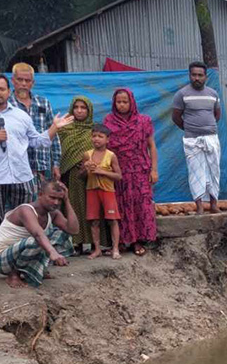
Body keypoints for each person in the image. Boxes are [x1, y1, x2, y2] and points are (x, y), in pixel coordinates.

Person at [0, 72, 74, 269]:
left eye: (1, 89)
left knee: (26, 221)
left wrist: (54, 128)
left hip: (22, 177)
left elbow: (38, 141)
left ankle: (25, 261)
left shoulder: (20, 115)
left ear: (8, 91)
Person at [0, 179, 78, 288]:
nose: (56, 203)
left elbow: (73, 230)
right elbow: (37, 234)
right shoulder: (25, 210)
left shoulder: (53, 213)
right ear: (40, 195)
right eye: (52, 197)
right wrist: (52, 252)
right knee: (37, 241)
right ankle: (13, 275)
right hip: (1, 260)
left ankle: (35, 269)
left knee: (62, 235)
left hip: (22, 253)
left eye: (59, 199)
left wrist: (67, 200)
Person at [104, 88, 158, 255]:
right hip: (118, 172)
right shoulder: (108, 121)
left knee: (141, 204)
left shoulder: (143, 121)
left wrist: (154, 170)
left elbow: (151, 146)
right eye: (118, 102)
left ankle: (138, 241)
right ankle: (120, 241)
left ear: (132, 102)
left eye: (125, 102)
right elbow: (104, 147)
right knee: (120, 205)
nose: (121, 105)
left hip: (140, 170)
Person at [172, 61, 221, 214]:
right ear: (189, 76)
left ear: (205, 77)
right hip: (192, 140)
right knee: (195, 173)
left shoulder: (213, 94)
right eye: (194, 75)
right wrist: (190, 129)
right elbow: (176, 117)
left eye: (200, 75)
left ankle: (213, 205)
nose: (197, 78)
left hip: (211, 138)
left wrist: (207, 127)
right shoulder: (182, 94)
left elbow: (216, 115)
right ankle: (199, 207)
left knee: (214, 171)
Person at [8, 63, 61, 186]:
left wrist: (56, 164)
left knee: (44, 203)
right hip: (16, 168)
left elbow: (53, 134)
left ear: (33, 83)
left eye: (27, 80)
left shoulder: (43, 103)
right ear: (13, 81)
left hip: (42, 165)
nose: (23, 84)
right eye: (20, 80)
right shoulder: (7, 104)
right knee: (22, 204)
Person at [57, 95, 97, 253]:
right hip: (69, 175)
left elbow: (101, 150)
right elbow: (58, 151)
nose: (79, 111)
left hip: (91, 177)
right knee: (71, 207)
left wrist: (91, 161)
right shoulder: (64, 130)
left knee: (91, 208)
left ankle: (95, 243)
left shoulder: (94, 130)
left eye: (83, 108)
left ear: (89, 110)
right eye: (76, 107)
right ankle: (75, 243)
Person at [82, 124, 122, 260]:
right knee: (93, 221)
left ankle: (115, 248)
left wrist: (101, 172)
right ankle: (97, 249)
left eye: (100, 136)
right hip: (91, 190)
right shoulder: (87, 155)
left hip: (107, 191)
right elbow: (80, 175)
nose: (96, 139)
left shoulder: (111, 156)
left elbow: (119, 176)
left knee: (112, 220)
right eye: (94, 136)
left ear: (107, 139)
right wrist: (85, 169)